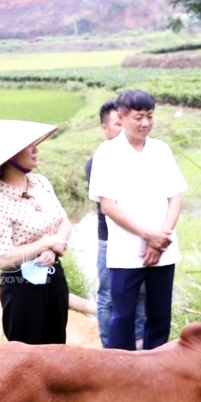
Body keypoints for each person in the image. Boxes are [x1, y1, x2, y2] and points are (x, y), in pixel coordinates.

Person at [87, 89, 186, 351]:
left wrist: (159, 237)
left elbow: (175, 197)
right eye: (138, 117)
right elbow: (108, 206)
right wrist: (148, 235)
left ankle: (156, 373)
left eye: (150, 116)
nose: (145, 123)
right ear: (121, 116)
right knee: (122, 317)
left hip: (163, 249)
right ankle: (118, 375)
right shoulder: (107, 153)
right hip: (126, 253)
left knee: (160, 315)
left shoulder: (161, 150)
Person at [0, 119, 73, 344]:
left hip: (53, 275)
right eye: (28, 145)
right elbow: (1, 259)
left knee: (57, 347)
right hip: (21, 285)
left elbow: (64, 221)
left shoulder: (40, 183)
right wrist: (46, 244)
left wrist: (54, 251)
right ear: (9, 156)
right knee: (26, 355)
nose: (35, 149)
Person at [85, 99, 145, 348]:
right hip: (110, 240)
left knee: (141, 295)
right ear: (105, 128)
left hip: (140, 237)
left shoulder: (144, 155)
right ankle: (110, 350)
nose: (122, 128)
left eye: (125, 122)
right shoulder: (100, 160)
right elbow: (111, 204)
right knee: (109, 297)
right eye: (117, 124)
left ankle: (140, 348)